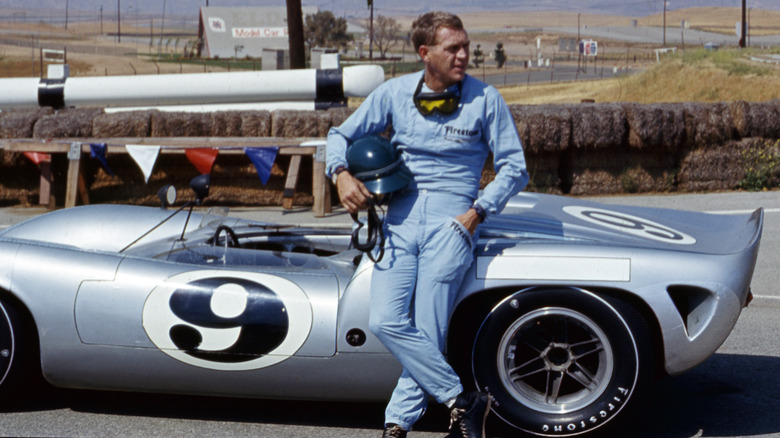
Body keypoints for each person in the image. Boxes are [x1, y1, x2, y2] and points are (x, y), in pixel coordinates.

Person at [326, 11, 528, 438]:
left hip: (454, 220)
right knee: (385, 320)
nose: (463, 55)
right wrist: (340, 174)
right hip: (397, 219)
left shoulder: (486, 99)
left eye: (465, 46)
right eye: (452, 48)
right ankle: (463, 400)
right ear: (425, 53)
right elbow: (338, 136)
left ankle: (396, 424)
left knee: (428, 324)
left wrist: (477, 213)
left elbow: (514, 168)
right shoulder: (394, 93)